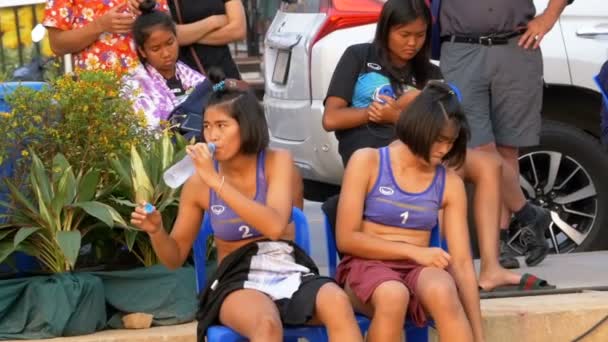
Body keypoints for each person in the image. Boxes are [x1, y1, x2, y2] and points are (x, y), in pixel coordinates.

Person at [322, 0, 552, 291]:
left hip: (423, 154)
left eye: (419, 36)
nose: (412, 43)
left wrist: (398, 114)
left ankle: (490, 267)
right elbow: (331, 118)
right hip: (375, 156)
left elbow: (445, 124)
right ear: (386, 30)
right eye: (404, 34)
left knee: (489, 163)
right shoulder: (358, 56)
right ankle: (451, 264)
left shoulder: (429, 73)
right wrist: (371, 113)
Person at [130, 69, 363, 342]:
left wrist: (217, 182)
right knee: (266, 325)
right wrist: (156, 231)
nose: (212, 136)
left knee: (337, 303)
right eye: (207, 126)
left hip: (286, 265)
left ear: (247, 126)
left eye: (221, 125)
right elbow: (174, 258)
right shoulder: (198, 183)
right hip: (236, 278)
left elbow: (275, 226)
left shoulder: (277, 162)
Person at [336, 81, 483, 342]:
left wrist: (479, 334)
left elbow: (461, 263)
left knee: (443, 290)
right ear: (418, 129)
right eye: (438, 140)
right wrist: (414, 251)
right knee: (394, 295)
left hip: (418, 271)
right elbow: (346, 239)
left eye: (450, 142)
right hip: (367, 267)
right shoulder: (368, 161)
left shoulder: (450, 183)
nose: (444, 150)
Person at [439, 0, 571, 266]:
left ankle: (497, 243)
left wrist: (548, 17)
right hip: (461, 47)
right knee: (477, 149)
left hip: (516, 45)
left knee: (508, 150)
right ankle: (528, 213)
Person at [124, 1, 206, 128]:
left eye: (170, 43)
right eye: (156, 49)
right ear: (142, 51)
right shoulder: (134, 86)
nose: (166, 53)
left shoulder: (193, 77)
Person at [128, 0, 245, 79]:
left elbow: (238, 30)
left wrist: (189, 35)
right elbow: (169, 35)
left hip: (225, 71)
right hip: (187, 76)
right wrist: (213, 22)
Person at [43, 0, 168, 71]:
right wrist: (99, 25)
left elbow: (169, 30)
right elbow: (57, 44)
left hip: (155, 90)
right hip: (103, 95)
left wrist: (148, 9)